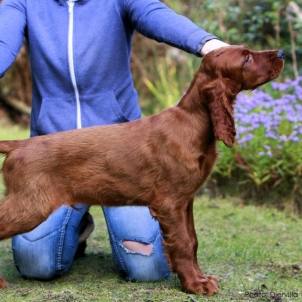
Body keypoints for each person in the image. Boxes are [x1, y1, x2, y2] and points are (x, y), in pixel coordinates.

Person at [0, 0, 229, 282]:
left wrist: (207, 43)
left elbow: (155, 14)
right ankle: (77, 220)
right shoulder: (23, 2)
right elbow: (2, 40)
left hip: (123, 157)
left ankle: (81, 220)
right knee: (38, 264)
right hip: (55, 158)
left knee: (147, 269)